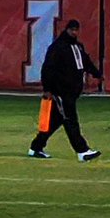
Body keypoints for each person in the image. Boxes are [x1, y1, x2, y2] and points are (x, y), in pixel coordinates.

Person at [29, 18, 102, 161]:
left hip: (72, 91)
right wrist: (48, 89)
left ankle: (36, 147)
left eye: (76, 30)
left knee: (55, 121)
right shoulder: (57, 47)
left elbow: (85, 63)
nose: (74, 32)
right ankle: (82, 151)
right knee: (70, 120)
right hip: (61, 91)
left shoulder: (78, 47)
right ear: (67, 30)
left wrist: (96, 73)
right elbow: (47, 68)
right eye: (72, 29)